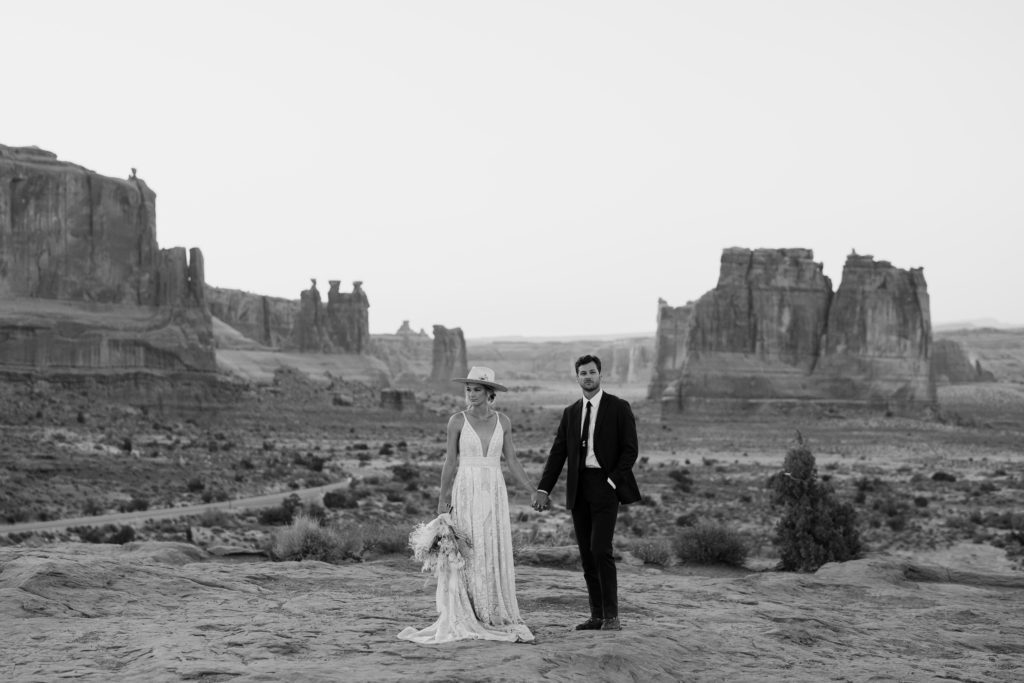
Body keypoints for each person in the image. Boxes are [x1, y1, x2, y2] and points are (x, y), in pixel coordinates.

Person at [398, 366, 535, 643]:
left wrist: (533, 490)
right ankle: (470, 610)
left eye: (477, 389)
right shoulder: (456, 421)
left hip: (494, 489)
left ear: (489, 393)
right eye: (468, 389)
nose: (471, 394)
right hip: (466, 489)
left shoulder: (504, 422)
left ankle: (493, 611)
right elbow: (450, 462)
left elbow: (512, 461)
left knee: (491, 545)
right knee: (470, 547)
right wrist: (442, 499)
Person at [533, 354, 640, 631]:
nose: (588, 377)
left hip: (605, 487)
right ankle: (596, 616)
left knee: (600, 549)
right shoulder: (570, 412)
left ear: (600, 374)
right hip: (578, 489)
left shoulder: (618, 407)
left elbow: (630, 450)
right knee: (586, 554)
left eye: (592, 372)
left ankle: (612, 616)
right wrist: (544, 488)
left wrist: (613, 481)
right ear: (577, 377)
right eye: (583, 373)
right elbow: (558, 454)